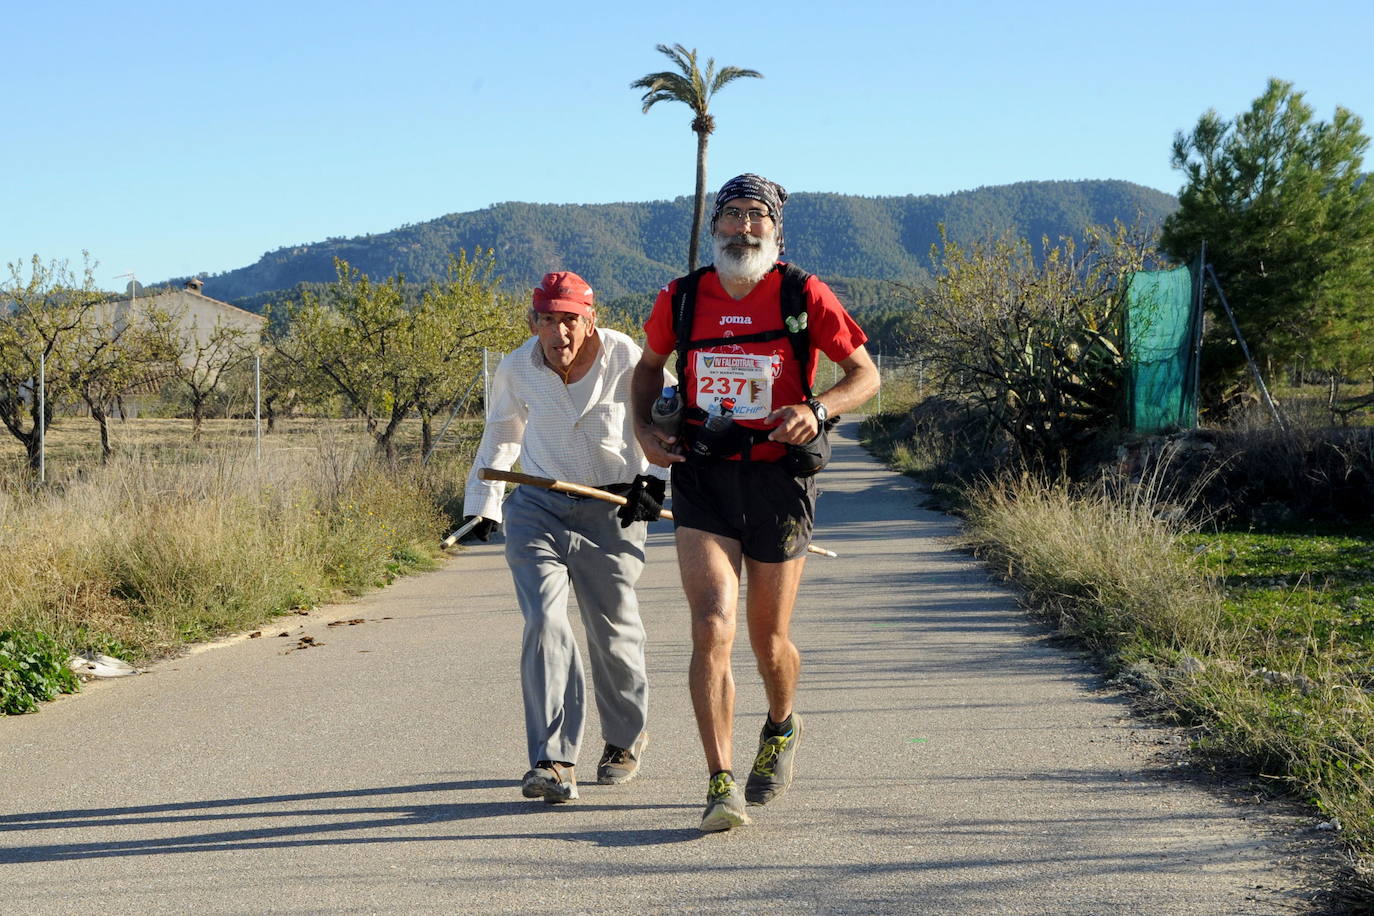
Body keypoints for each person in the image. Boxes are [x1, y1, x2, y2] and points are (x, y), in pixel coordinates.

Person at [631, 173, 880, 832]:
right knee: (712, 625)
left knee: (769, 642)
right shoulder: (682, 299)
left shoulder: (802, 293)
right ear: (714, 227)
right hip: (703, 474)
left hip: (778, 482)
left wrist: (817, 408)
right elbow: (647, 368)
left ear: (775, 228)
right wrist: (645, 431)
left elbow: (866, 375)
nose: (743, 229)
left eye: (755, 217)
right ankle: (719, 783)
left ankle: (781, 725)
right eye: (732, 216)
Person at [462, 270, 666, 804]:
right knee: (545, 621)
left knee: (614, 631)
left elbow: (665, 423)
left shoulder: (628, 357)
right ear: (533, 322)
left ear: (590, 318)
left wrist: (655, 482)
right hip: (538, 508)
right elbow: (503, 431)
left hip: (613, 506)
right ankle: (553, 760)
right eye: (548, 320)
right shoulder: (517, 366)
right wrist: (483, 506)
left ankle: (624, 738)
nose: (560, 332)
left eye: (570, 319)